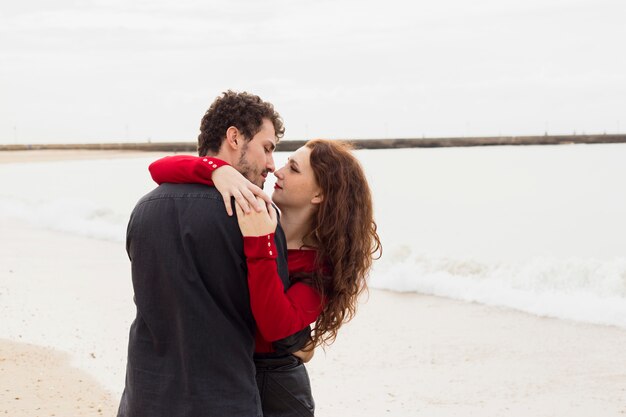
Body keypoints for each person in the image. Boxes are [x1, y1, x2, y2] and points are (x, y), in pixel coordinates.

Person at [149, 139, 382, 416]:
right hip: (227, 374)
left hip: (277, 388)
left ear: (319, 194)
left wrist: (260, 242)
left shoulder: (320, 267)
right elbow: (158, 169)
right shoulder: (252, 213)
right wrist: (217, 170)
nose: (277, 171)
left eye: (293, 168)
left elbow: (275, 326)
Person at [117, 90, 310, 417]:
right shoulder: (256, 217)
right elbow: (269, 325)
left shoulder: (143, 209)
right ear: (234, 137)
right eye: (267, 148)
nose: (271, 164)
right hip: (223, 400)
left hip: (143, 397)